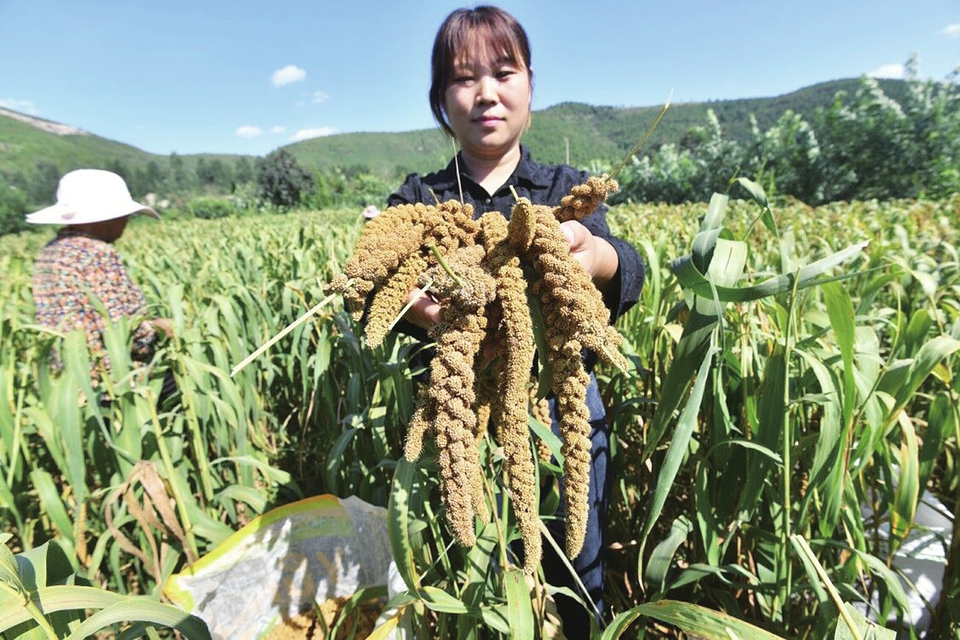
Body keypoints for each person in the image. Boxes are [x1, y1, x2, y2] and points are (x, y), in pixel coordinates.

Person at [386, 6, 644, 635]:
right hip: (459, 412)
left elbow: (626, 271)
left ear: (531, 83)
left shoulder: (566, 190)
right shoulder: (419, 202)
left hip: (563, 407)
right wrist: (411, 307)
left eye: (504, 72)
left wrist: (595, 256)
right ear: (439, 100)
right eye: (463, 78)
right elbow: (386, 298)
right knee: (474, 563)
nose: (486, 93)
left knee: (575, 559)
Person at [28, 169, 175, 400]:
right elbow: (119, 331)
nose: (126, 221)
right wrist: (159, 327)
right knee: (188, 393)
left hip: (73, 384)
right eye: (123, 215)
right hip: (115, 381)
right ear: (104, 217)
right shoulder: (97, 253)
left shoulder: (50, 251)